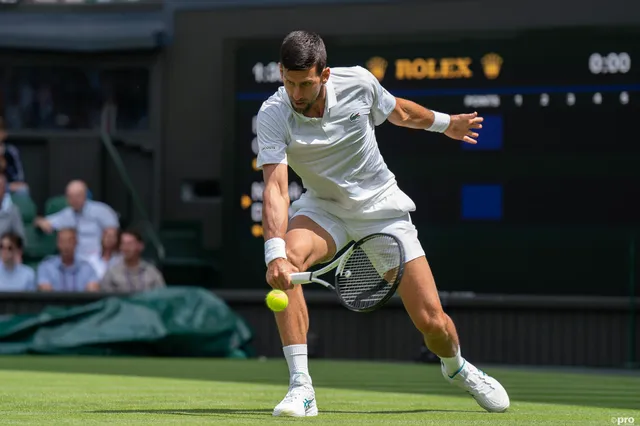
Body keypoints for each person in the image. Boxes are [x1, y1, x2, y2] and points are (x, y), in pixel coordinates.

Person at [257, 30, 509, 418]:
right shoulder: (273, 114)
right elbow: (275, 187)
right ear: (280, 73)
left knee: (433, 322)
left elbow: (400, 112)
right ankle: (301, 388)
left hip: (382, 209)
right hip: (324, 209)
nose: (296, 93)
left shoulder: (358, 82)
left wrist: (446, 124)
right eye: (289, 82)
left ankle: (457, 368)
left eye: (305, 83)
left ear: (324, 75)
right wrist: (273, 253)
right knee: (287, 264)